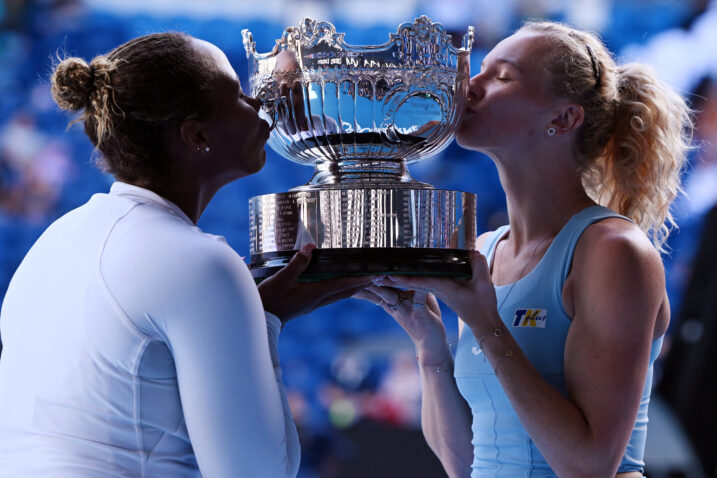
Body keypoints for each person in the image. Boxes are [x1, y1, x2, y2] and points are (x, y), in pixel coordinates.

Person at [0, 32, 371, 477]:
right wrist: (266, 325)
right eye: (236, 95)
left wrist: (261, 311)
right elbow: (256, 472)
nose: (256, 104)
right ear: (197, 134)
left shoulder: (55, 239)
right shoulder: (200, 262)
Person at [357, 20, 692, 477]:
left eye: (503, 76)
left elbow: (589, 465)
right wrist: (429, 344)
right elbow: (466, 465)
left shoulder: (614, 251)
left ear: (563, 118)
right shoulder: (486, 249)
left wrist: (485, 321)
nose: (469, 84)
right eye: (480, 70)